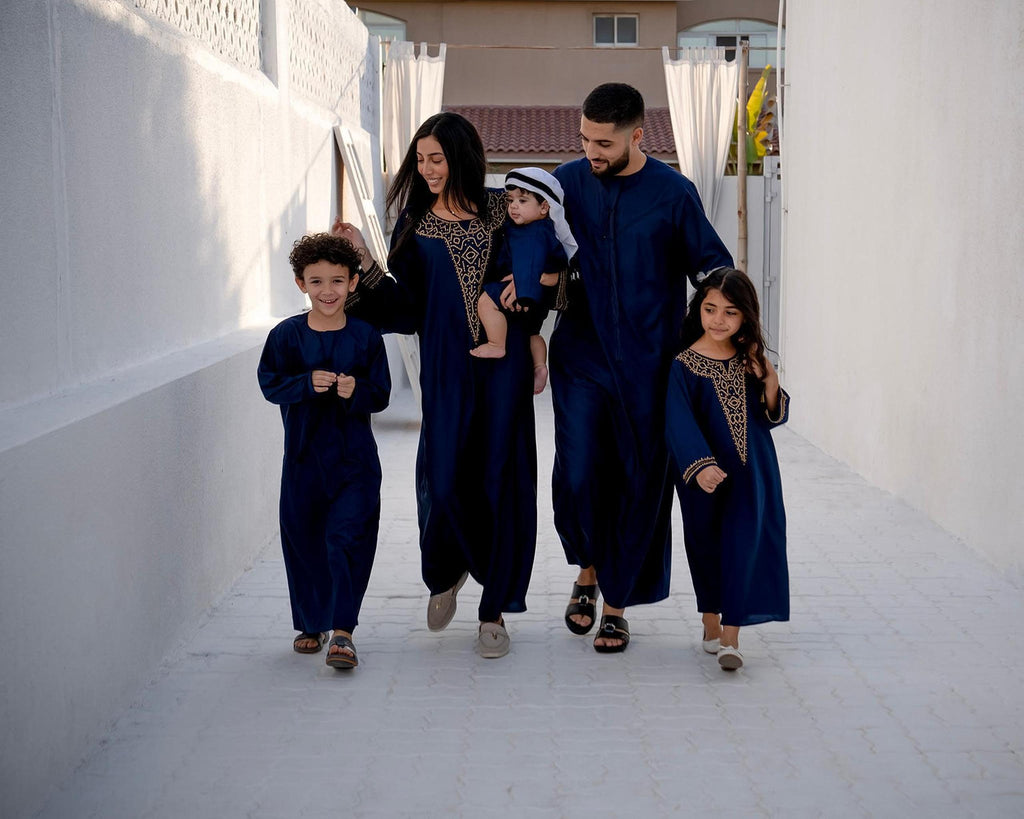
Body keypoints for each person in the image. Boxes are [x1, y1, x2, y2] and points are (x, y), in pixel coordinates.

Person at [332, 112, 541, 659]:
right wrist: (364, 259)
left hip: (503, 366)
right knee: (443, 479)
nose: (426, 169)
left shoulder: (503, 209)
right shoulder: (416, 220)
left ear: (462, 157)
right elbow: (404, 306)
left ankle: (493, 611)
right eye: (420, 159)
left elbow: (543, 264)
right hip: (447, 365)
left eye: (437, 159)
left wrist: (534, 311)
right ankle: (447, 571)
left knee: (499, 479)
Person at [550, 82, 734, 652]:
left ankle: (615, 604)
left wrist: (719, 343)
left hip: (650, 365)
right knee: (579, 472)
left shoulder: (673, 193)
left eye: (603, 143)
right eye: (584, 139)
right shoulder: (566, 182)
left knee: (638, 483)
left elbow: (713, 268)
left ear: (637, 135)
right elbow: (523, 237)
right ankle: (587, 567)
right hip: (580, 358)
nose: (591, 152)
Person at [258, 233, 391, 669]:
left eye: (337, 280)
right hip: (303, 459)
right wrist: (304, 384)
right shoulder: (286, 336)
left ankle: (343, 631)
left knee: (345, 538)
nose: (327, 291)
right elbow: (269, 384)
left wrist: (357, 390)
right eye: (316, 281)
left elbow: (381, 394)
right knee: (306, 540)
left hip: (355, 461)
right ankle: (311, 623)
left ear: (353, 282)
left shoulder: (366, 336)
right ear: (301, 284)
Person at [665, 267, 789, 670]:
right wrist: (700, 465)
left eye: (730, 312)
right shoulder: (684, 365)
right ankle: (710, 621)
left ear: (745, 315)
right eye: (710, 309)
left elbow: (770, 414)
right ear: (698, 309)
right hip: (703, 478)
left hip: (752, 475)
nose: (718, 320)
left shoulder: (750, 361)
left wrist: (769, 378)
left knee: (742, 544)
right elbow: (678, 421)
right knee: (704, 545)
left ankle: (731, 638)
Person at [471, 167, 578, 395]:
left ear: (544, 207)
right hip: (536, 295)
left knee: (485, 303)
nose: (513, 206)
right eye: (510, 200)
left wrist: (525, 293)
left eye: (522, 200)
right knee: (533, 333)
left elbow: (530, 263)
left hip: (522, 290)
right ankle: (539, 366)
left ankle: (496, 344)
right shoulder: (544, 229)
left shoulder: (532, 232)